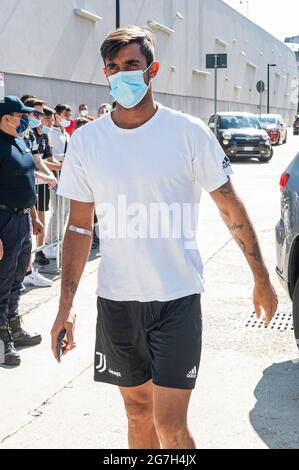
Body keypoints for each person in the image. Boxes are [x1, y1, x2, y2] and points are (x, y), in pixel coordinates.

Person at [51, 27, 278, 449]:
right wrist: (65, 309)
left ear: (152, 70)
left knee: (170, 425)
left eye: (132, 66)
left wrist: (261, 277)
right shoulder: (86, 141)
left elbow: (231, 207)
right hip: (118, 301)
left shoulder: (189, 133)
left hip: (177, 299)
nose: (122, 75)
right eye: (113, 68)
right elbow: (79, 228)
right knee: (138, 413)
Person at [0, 96, 43, 366]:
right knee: (2, 282)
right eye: (20, 115)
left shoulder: (18, 140)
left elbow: (28, 179)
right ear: (5, 118)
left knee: (17, 278)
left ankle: (14, 326)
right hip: (4, 220)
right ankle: (3, 340)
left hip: (22, 219)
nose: (26, 119)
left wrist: (34, 216)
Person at [21, 98, 56, 287]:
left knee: (27, 236)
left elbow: (37, 160)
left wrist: (50, 175)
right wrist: (45, 177)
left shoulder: (31, 136)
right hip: (12, 197)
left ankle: (27, 271)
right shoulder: (14, 134)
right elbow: (21, 167)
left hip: (27, 195)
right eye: (37, 113)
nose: (40, 117)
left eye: (41, 114)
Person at [44, 104, 71, 260]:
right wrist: (63, 161)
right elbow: (50, 155)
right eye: (65, 115)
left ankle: (59, 241)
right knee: (57, 211)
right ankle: (50, 243)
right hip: (55, 173)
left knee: (65, 210)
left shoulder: (66, 134)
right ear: (57, 116)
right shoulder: (51, 133)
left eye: (69, 115)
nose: (68, 118)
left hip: (65, 174)